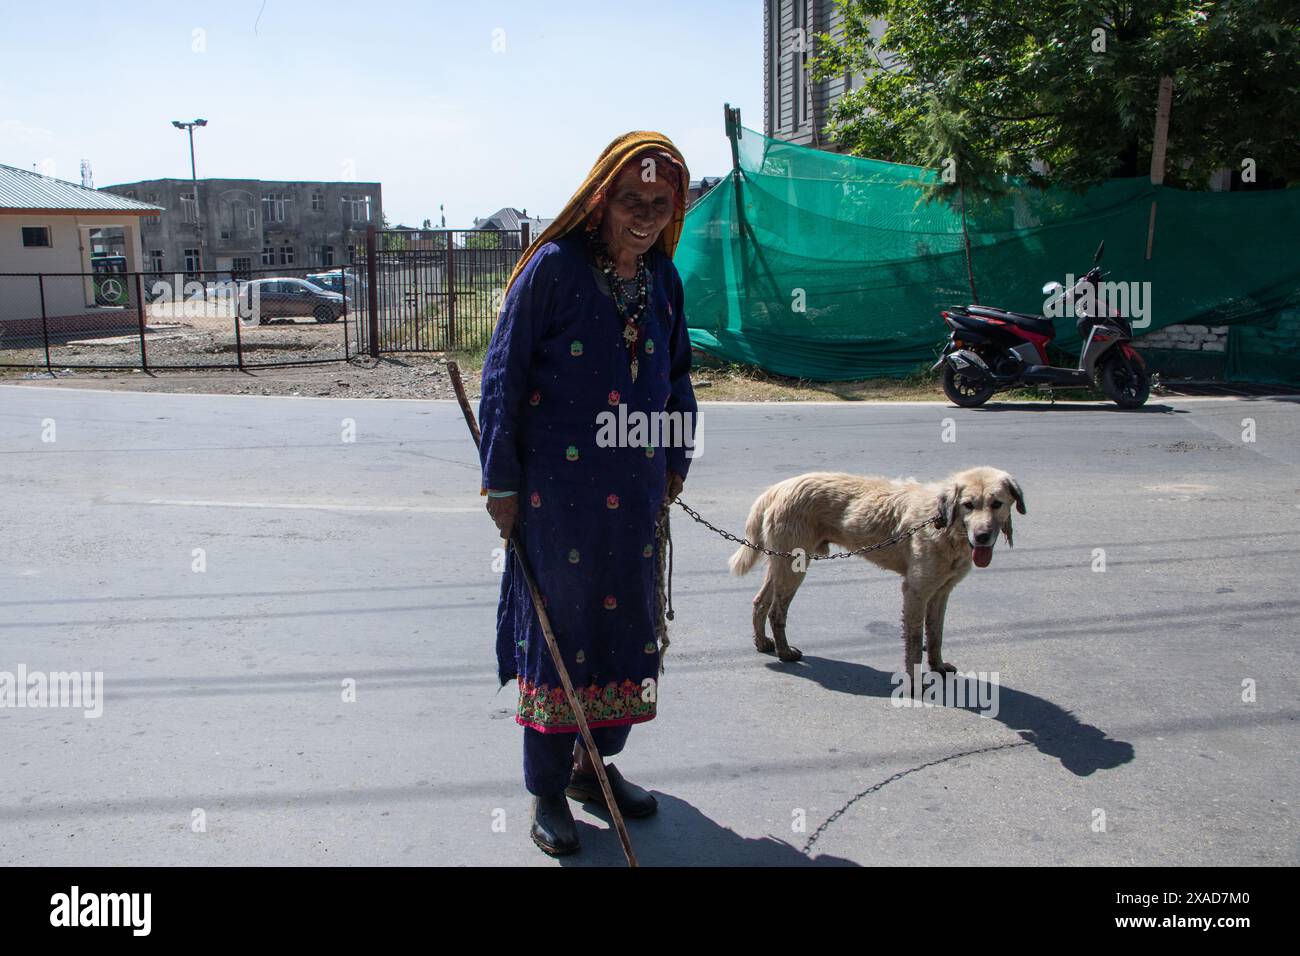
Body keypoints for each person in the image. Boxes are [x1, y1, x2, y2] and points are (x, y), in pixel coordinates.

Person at [477, 131, 698, 856]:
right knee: (560, 633)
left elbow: (677, 378)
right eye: (630, 199)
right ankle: (546, 789)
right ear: (600, 202)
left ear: (674, 210)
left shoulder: (663, 280)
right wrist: (501, 482)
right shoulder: (552, 270)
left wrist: (675, 460)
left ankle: (592, 766)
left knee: (623, 627)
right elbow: (503, 378)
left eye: (658, 202)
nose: (643, 213)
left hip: (633, 498)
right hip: (555, 498)